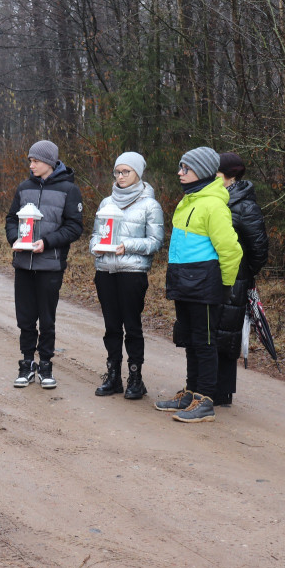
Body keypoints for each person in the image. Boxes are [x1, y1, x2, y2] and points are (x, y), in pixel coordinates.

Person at [154, 147, 243, 422]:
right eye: (181, 167)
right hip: (184, 283)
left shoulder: (214, 204)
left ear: (202, 171)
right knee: (190, 340)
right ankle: (191, 394)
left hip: (205, 286)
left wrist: (224, 286)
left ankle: (206, 399)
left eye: (185, 168)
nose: (180, 173)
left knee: (205, 343)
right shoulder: (189, 200)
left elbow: (231, 250)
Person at [4, 140, 83, 389]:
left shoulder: (70, 190)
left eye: (35, 160)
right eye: (30, 160)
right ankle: (27, 364)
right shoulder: (23, 187)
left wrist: (46, 242)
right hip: (23, 265)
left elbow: (74, 227)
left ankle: (46, 364)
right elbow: (10, 219)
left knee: (46, 319)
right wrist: (14, 239)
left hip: (50, 265)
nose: (31, 164)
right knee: (25, 318)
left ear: (49, 162)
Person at [89, 152, 164, 399]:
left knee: (131, 327)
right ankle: (113, 377)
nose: (120, 177)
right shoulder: (105, 203)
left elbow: (155, 241)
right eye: (117, 172)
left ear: (137, 173)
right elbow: (95, 235)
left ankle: (135, 378)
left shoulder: (150, 205)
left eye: (126, 172)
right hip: (105, 272)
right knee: (111, 327)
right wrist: (95, 248)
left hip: (132, 273)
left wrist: (126, 245)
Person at [213, 152, 269, 407]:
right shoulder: (216, 199)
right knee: (212, 330)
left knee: (228, 334)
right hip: (211, 275)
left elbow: (259, 249)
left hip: (236, 278)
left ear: (228, 174)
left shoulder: (245, 205)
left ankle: (222, 392)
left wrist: (243, 272)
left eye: (216, 171)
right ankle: (205, 385)